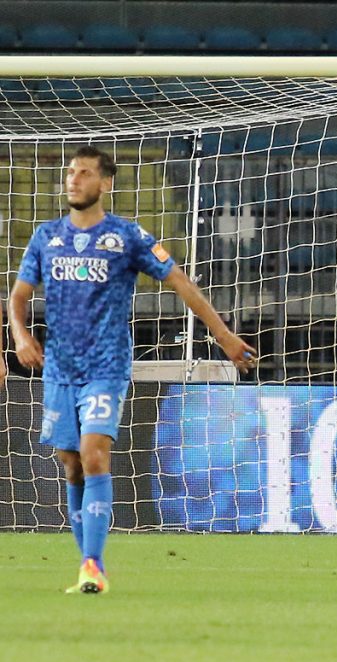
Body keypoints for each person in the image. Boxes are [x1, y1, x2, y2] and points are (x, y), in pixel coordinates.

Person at [8, 146, 257, 594]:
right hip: (59, 369)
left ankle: (92, 565)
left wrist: (223, 336)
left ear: (105, 183)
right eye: (71, 173)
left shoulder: (127, 236)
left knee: (93, 454)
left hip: (106, 366)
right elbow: (18, 297)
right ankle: (88, 561)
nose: (74, 180)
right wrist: (21, 338)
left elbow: (179, 281)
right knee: (71, 465)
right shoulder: (47, 237)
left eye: (85, 173)